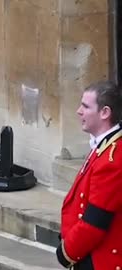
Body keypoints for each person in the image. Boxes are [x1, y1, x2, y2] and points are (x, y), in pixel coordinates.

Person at [56, 81, 122, 269]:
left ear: (105, 113)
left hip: (99, 260)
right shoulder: (103, 147)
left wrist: (66, 252)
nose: (79, 111)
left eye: (85, 106)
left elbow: (95, 222)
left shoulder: (112, 159)